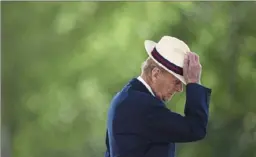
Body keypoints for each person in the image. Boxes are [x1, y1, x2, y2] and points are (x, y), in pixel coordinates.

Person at [104, 36, 212, 157]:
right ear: (155, 74)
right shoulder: (144, 106)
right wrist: (194, 83)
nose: (180, 89)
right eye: (176, 81)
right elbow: (195, 129)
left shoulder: (123, 98)